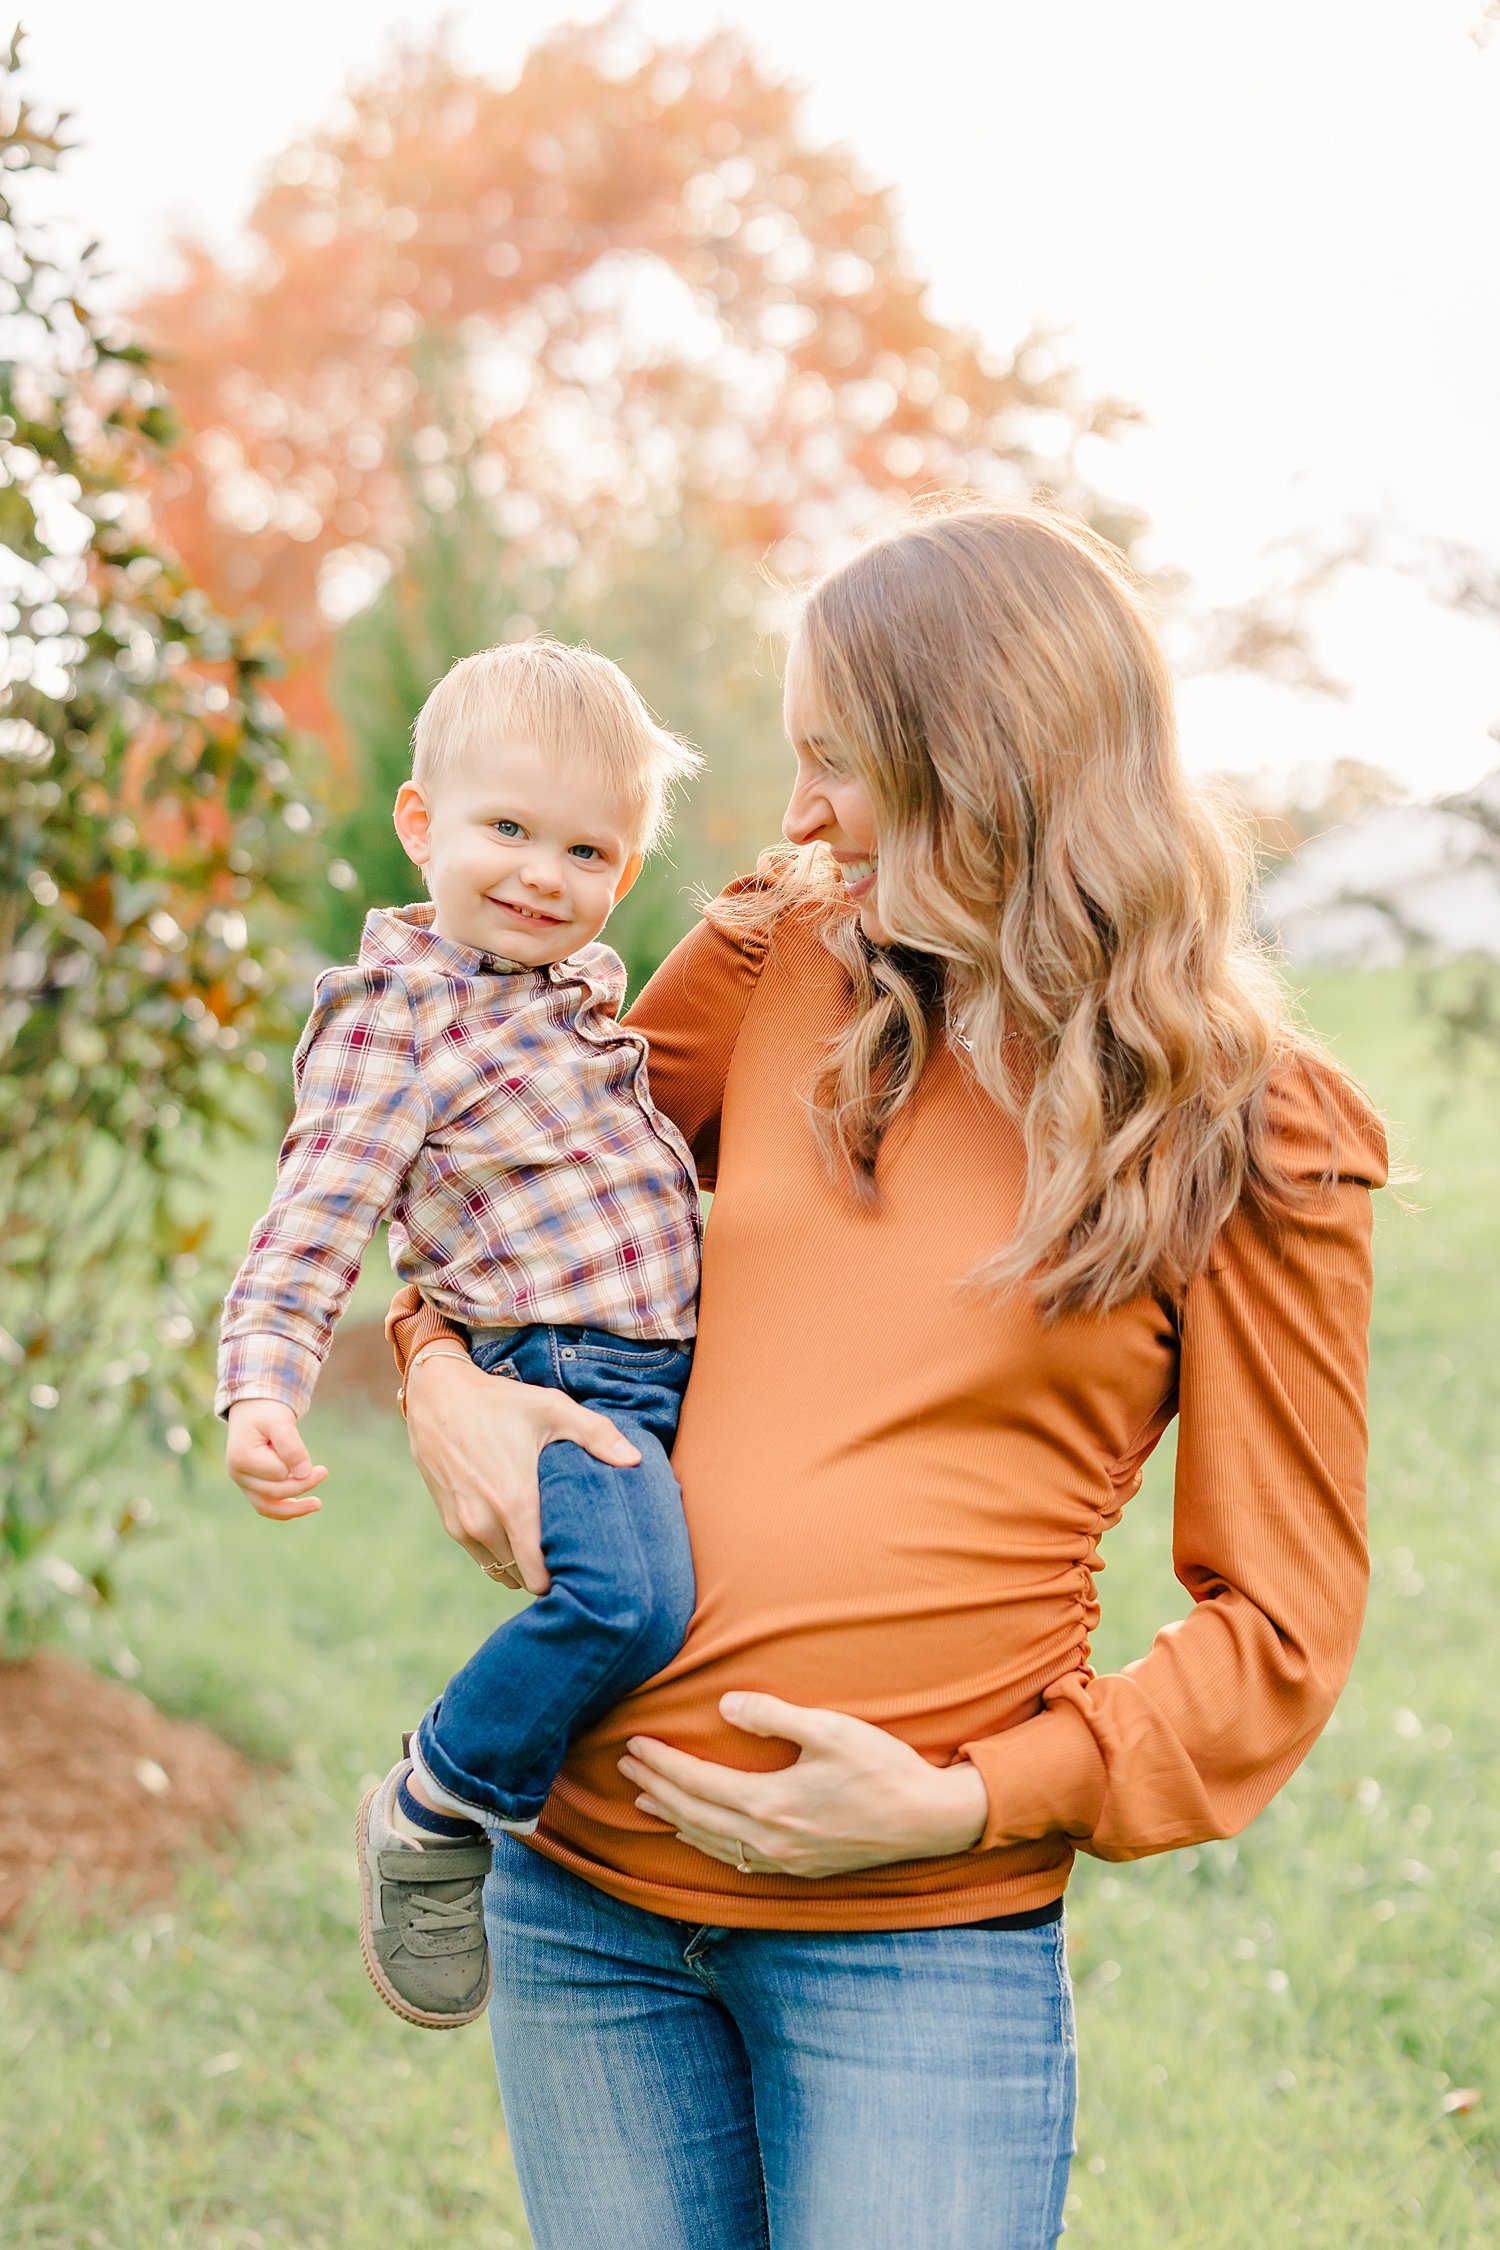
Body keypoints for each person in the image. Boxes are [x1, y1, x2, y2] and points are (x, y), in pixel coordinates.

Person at [392, 502, 1387, 2250]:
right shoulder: (779, 956)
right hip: (586, 1896)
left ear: (984, 758)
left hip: (917, 1941)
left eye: (837, 762)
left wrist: (962, 1798)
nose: (794, 818)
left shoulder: (1254, 1130)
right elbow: (491, 1156)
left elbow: (1282, 1624)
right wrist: (434, 1373)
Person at [217, 638, 704, 2029]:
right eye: (508, 829)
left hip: (660, 1372)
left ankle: (606, 1874)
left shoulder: (573, 1001)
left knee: (669, 1617)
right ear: (422, 825)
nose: (546, 876)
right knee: (627, 1601)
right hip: (554, 1373)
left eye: (588, 850)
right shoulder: (401, 1017)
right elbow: (316, 1211)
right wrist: (264, 1386)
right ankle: (435, 1797)